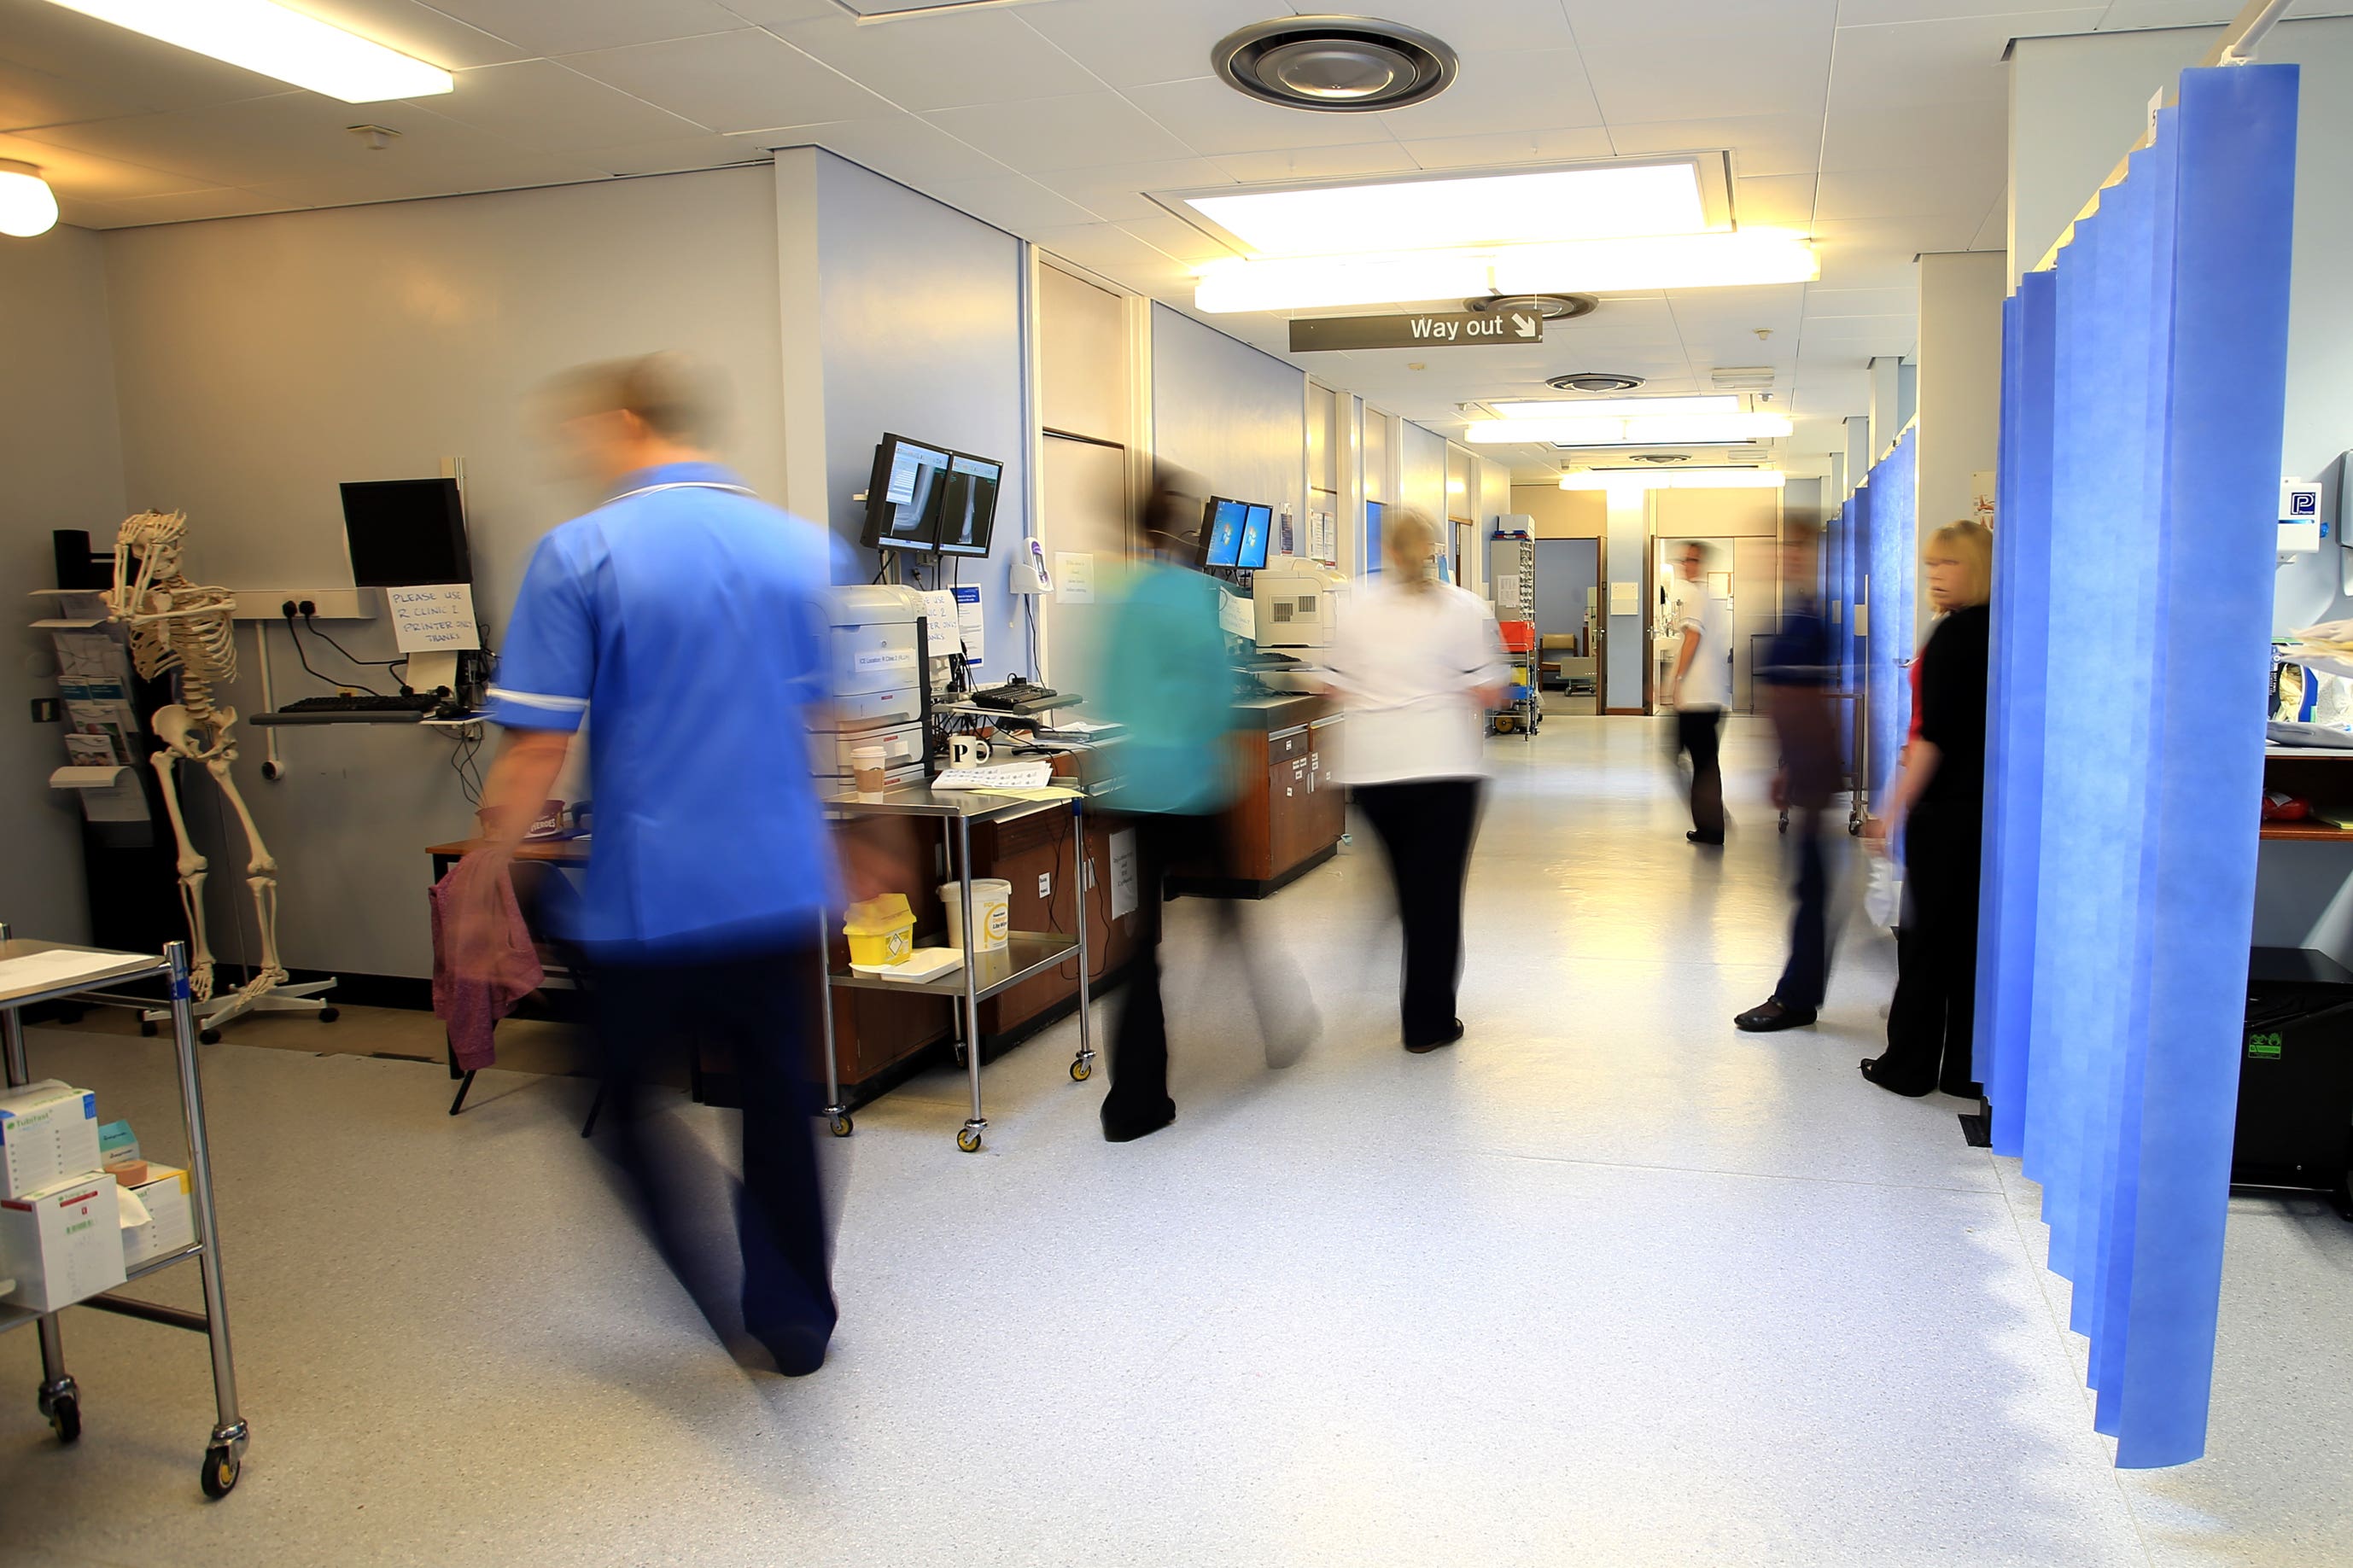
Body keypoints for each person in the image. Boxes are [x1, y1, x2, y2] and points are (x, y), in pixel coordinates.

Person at [455, 353, 845, 1373]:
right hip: (772, 880)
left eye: (586, 430)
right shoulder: (799, 550)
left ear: (629, 423)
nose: (577, 450)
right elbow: (831, 716)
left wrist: (489, 865)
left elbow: (538, 743)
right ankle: (795, 1313)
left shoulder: (582, 550)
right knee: (775, 1095)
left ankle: (717, 1281)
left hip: (652, 896)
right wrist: (873, 841)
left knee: (623, 1104)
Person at [1092, 469, 1311, 1142]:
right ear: (1186, 528)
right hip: (1191, 782)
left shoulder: (1124, 598)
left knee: (1137, 945)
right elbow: (1217, 691)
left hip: (1137, 785)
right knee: (1232, 918)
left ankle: (1135, 1099)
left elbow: (1107, 690)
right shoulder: (1195, 595)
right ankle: (1278, 1027)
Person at [1326, 509, 1508, 1053]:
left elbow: (1333, 683)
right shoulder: (1464, 608)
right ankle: (1428, 1024)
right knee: (1437, 900)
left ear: (1387, 551)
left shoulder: (1355, 601)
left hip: (1374, 776)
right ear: (1433, 549)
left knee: (1414, 887)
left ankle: (1403, 906)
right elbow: (1492, 690)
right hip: (1443, 771)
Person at [1861, 520, 1993, 1097]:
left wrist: (1890, 810)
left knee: (1923, 942)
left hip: (1945, 812)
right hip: (1981, 809)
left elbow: (1934, 738)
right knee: (1967, 942)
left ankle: (1907, 1066)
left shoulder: (1954, 635)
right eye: (1931, 565)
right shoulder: (1996, 630)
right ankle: (1966, 1068)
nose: (1936, 576)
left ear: (1978, 568)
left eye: (1949, 564)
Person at [1737, 522, 1842, 1033]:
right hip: (1804, 764)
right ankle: (1800, 992)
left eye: (1791, 549)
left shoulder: (1808, 621)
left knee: (1813, 884)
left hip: (1813, 767)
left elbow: (1804, 705)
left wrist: (1800, 769)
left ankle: (1796, 999)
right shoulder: (1796, 614)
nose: (1781, 558)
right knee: (1812, 883)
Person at [1667, 540, 1734, 845]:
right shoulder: (1708, 598)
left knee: (1692, 760)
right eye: (1685, 559)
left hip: (1698, 699)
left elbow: (1692, 639)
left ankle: (1712, 823)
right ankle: (1712, 820)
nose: (1687, 565)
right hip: (1709, 697)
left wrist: (1677, 679)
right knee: (1702, 762)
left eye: (1692, 560)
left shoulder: (1695, 596)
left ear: (1701, 564)